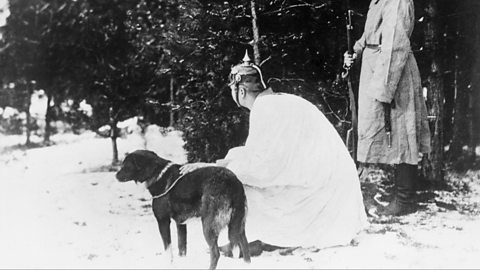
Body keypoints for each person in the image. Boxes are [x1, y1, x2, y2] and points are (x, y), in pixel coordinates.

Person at [180, 51, 368, 254]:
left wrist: (229, 168)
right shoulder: (276, 102)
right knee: (237, 166)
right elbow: (269, 156)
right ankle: (258, 237)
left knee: (240, 183)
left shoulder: (265, 108)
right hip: (332, 185)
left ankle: (254, 238)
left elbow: (266, 168)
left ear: (241, 91)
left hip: (327, 192)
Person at [344, 0, 431, 216]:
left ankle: (404, 200)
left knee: (403, 134)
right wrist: (354, 53)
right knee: (392, 135)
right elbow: (369, 35)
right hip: (376, 71)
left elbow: (395, 45)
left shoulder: (398, 1)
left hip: (394, 76)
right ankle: (400, 194)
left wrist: (384, 89)